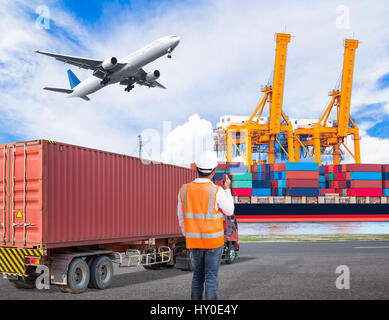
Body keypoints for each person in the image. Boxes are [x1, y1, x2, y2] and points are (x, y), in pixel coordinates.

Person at [177, 151, 234, 300]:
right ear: (214, 171)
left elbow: (181, 216)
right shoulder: (217, 191)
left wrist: (187, 234)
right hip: (214, 243)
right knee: (211, 278)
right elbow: (230, 211)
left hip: (194, 241)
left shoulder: (184, 189)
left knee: (197, 277)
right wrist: (227, 188)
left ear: (196, 168)